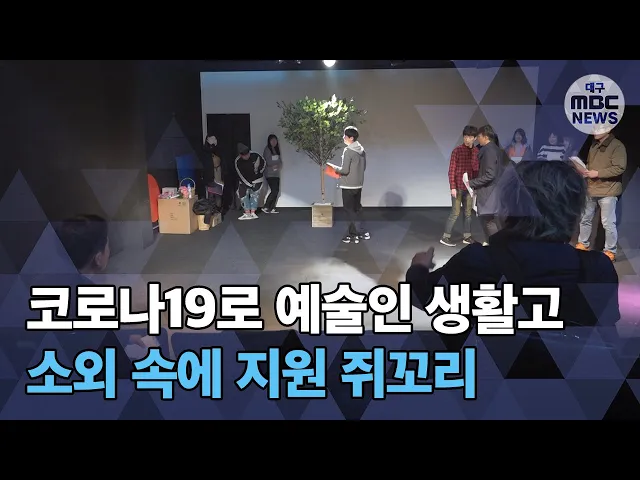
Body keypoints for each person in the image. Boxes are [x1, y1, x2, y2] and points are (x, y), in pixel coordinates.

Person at [407, 160, 620, 330]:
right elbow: (605, 331)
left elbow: (421, 297)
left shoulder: (477, 261)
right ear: (574, 212)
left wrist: (418, 268)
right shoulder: (598, 268)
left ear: (510, 206)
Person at [575, 130, 627, 262]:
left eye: (598, 128)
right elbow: (591, 165)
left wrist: (597, 173)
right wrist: (585, 170)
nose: (595, 131)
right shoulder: (594, 145)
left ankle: (610, 251)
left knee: (608, 223)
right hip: (591, 189)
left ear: (608, 129)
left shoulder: (617, 145)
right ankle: (583, 244)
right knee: (585, 218)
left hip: (608, 191)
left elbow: (619, 167)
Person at [440, 125, 479, 247]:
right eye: (465, 136)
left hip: (469, 188)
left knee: (468, 213)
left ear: (475, 138)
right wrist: (452, 187)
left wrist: (475, 186)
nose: (467, 139)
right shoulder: (457, 151)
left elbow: (476, 170)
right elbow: (451, 170)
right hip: (457, 187)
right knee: (455, 213)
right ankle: (445, 237)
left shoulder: (476, 152)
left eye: (470, 137)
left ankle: (467, 236)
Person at [468, 125, 505, 245]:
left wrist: (472, 183)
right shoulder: (495, 149)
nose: (477, 139)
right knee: (491, 221)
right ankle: (494, 245)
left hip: (488, 192)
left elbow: (490, 174)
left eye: (478, 136)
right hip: (492, 191)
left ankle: (496, 247)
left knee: (489, 221)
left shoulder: (489, 150)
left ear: (485, 136)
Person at [332, 126, 370, 244]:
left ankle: (353, 235)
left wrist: (334, 168)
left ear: (351, 138)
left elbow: (344, 170)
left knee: (349, 211)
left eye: (345, 135)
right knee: (357, 208)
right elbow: (363, 168)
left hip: (348, 185)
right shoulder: (362, 151)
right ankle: (362, 232)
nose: (343, 137)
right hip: (358, 184)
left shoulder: (348, 151)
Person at [235, 143, 266, 220]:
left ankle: (253, 213)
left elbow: (264, 162)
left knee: (254, 195)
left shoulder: (256, 155)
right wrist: (248, 184)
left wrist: (260, 171)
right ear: (240, 155)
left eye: (248, 154)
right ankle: (247, 213)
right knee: (243, 195)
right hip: (244, 181)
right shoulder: (238, 161)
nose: (247, 156)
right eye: (244, 155)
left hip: (257, 179)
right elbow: (240, 175)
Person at [262, 134, 282, 214]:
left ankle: (272, 208)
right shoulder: (267, 149)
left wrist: (279, 165)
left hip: (276, 173)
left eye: (275, 140)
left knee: (276, 191)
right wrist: (273, 165)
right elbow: (267, 161)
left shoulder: (276, 149)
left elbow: (279, 160)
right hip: (269, 174)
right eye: (272, 140)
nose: (274, 142)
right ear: (269, 141)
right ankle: (266, 206)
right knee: (274, 190)